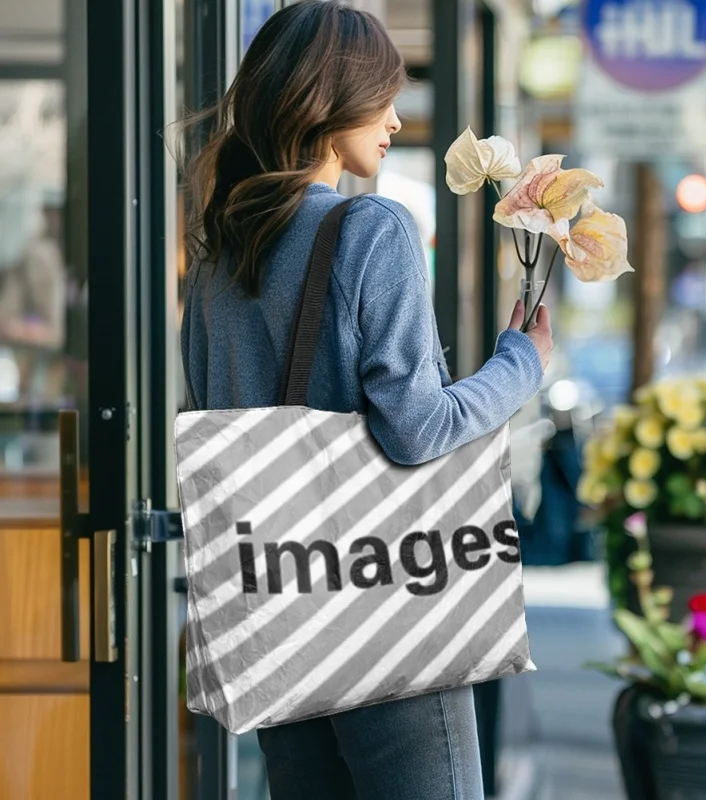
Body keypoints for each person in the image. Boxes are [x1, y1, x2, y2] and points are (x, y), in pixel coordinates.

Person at [179, 2, 552, 798]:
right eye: (382, 95)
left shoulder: (215, 263)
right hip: (384, 601)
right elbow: (417, 430)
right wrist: (522, 363)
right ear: (325, 100)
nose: (395, 115)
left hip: (275, 615)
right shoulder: (373, 229)